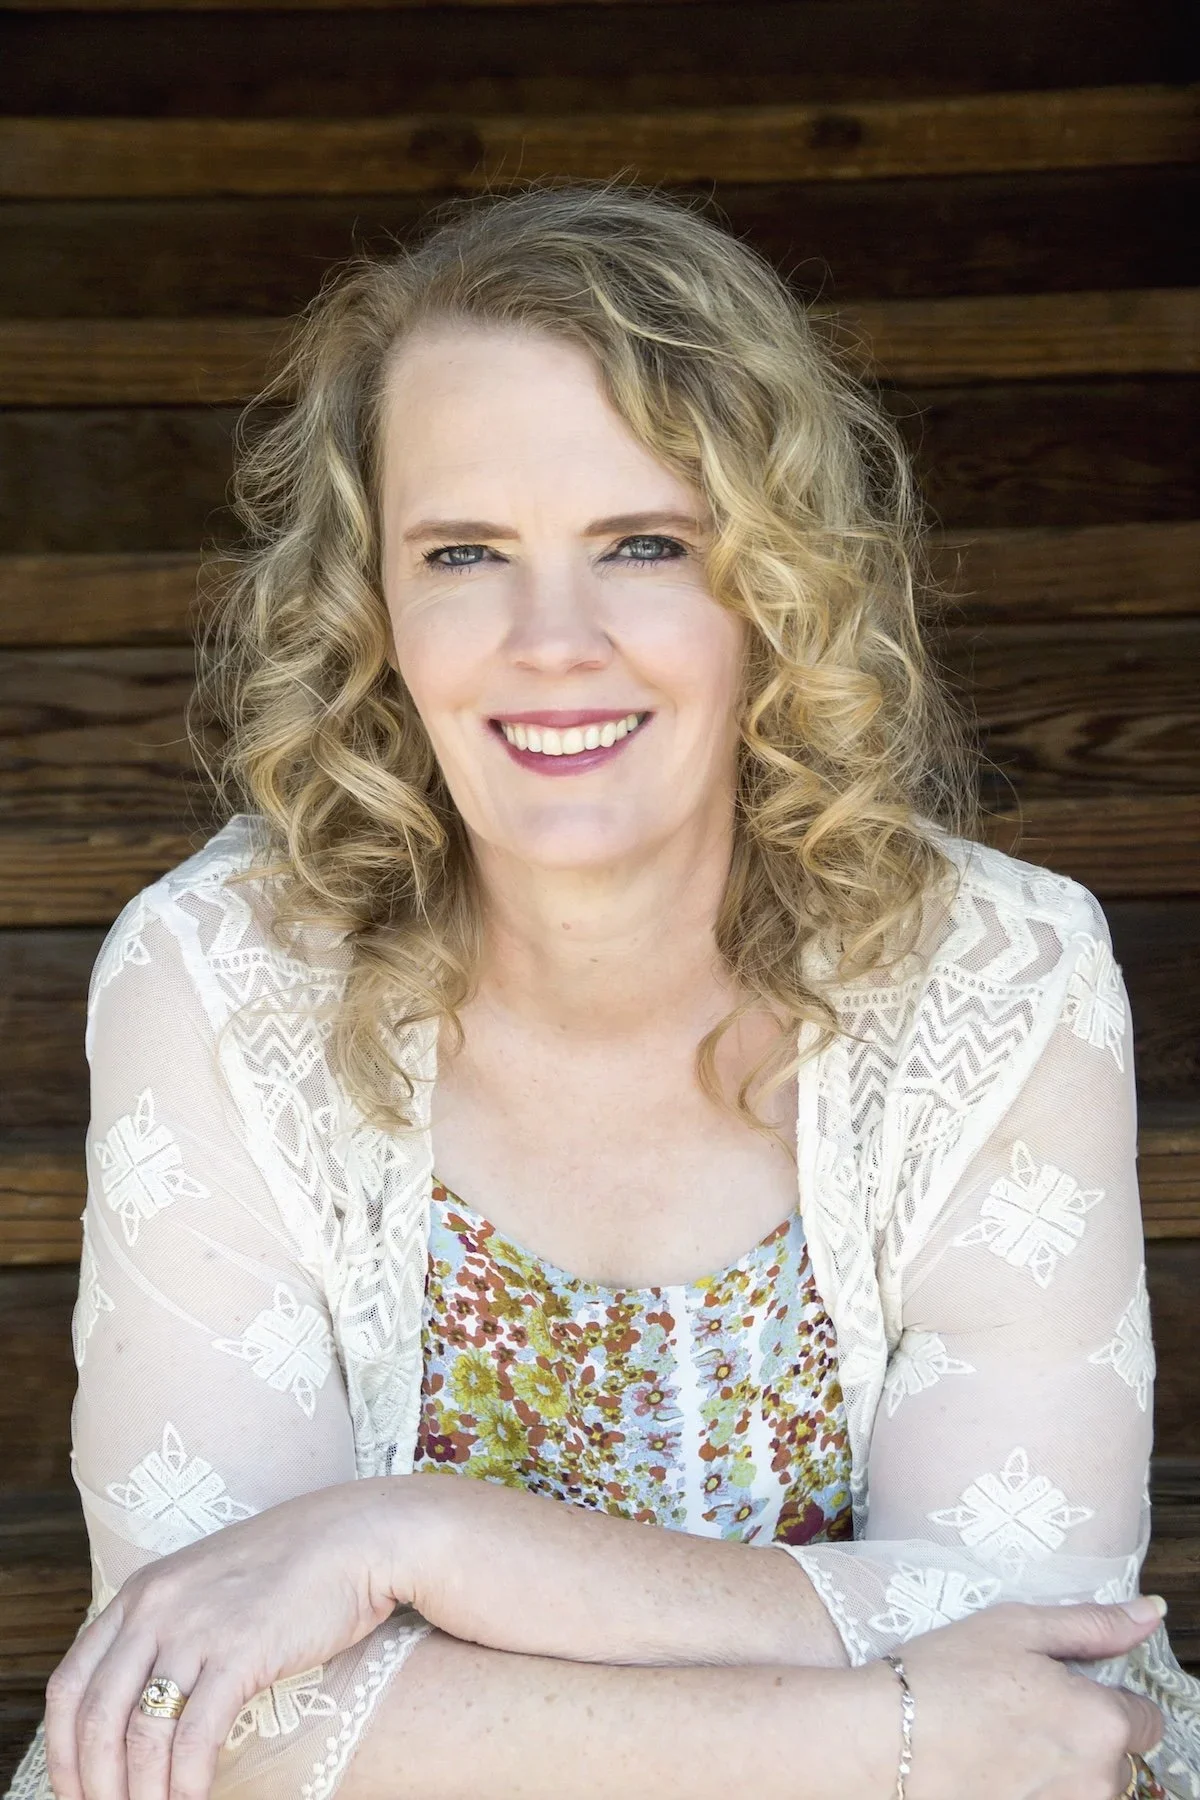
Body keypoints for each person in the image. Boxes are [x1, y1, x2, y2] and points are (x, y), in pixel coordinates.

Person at [7, 180, 1200, 1800]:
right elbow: (187, 1715)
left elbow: (1048, 1650)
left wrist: (409, 1539)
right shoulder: (219, 975)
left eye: (644, 544)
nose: (551, 638)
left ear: (772, 593)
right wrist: (889, 1730)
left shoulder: (1001, 975)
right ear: (378, 614)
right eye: (466, 552)